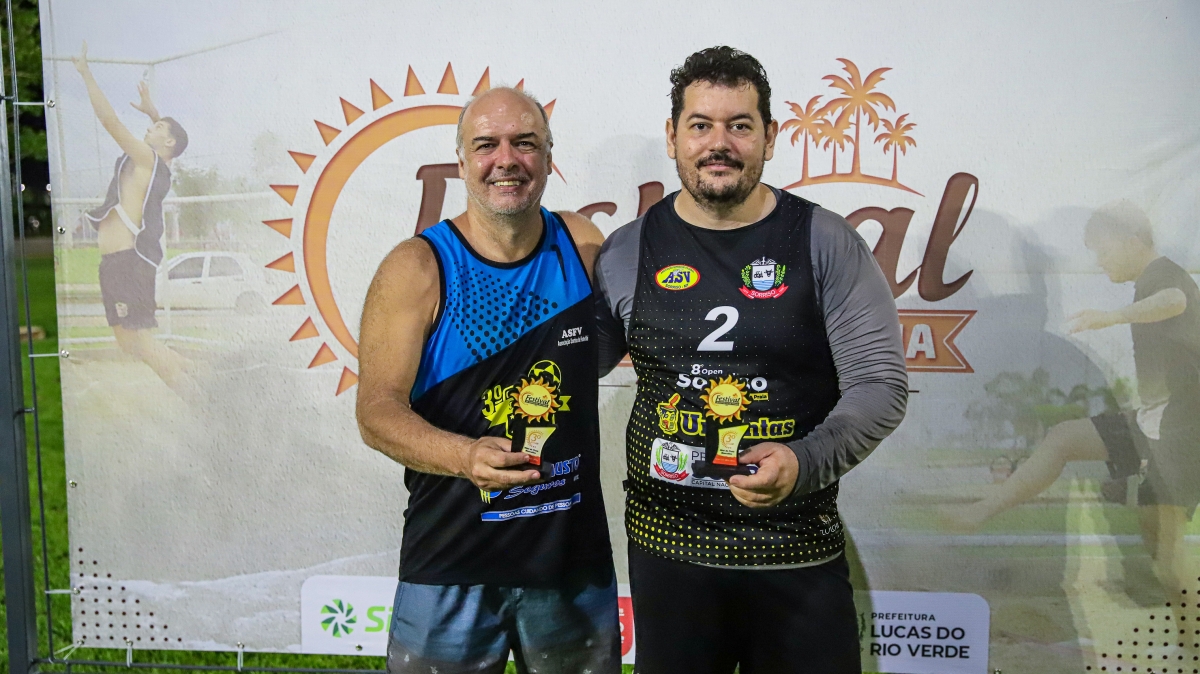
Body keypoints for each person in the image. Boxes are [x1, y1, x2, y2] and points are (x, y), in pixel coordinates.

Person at [594, 47, 908, 674]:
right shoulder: (628, 250)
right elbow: (571, 370)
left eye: (740, 125)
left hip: (795, 549)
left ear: (770, 135)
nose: (720, 144)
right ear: (672, 137)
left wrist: (804, 460)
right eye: (700, 125)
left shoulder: (823, 239)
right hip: (668, 553)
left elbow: (880, 385)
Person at [356, 86, 619, 674]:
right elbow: (376, 413)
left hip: (571, 568)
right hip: (451, 566)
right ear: (461, 161)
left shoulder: (583, 246)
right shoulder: (417, 266)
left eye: (525, 143)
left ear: (548, 157)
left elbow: (605, 354)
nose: (506, 160)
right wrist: (465, 456)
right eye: (486, 145)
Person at [946, 201, 1200, 610]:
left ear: (1134, 242)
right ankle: (982, 511)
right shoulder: (1149, 280)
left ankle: (1189, 642)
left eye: (1104, 251)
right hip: (1153, 422)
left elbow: (1174, 301)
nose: (1099, 262)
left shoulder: (1164, 275)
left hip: (1182, 433)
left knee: (1168, 561)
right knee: (1064, 438)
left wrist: (1112, 317)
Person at [72, 41, 198, 399]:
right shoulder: (157, 164)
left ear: (167, 141)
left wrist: (86, 73)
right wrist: (153, 113)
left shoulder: (148, 160)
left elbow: (110, 121)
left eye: (157, 126)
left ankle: (201, 400)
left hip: (127, 263)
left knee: (140, 344)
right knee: (129, 343)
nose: (151, 127)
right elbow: (169, 142)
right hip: (117, 264)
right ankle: (197, 372)